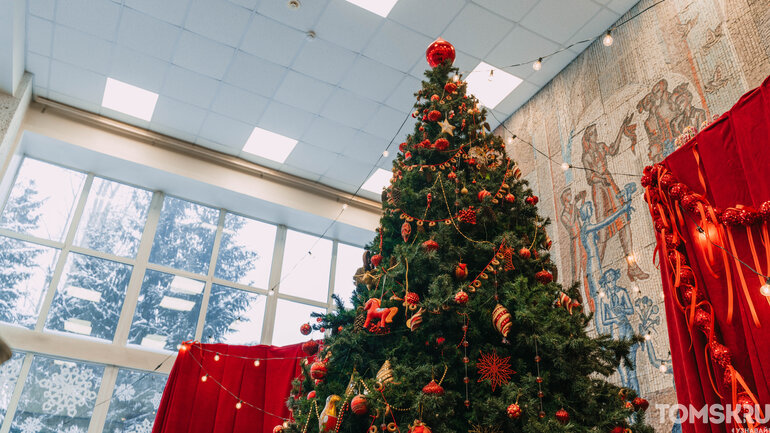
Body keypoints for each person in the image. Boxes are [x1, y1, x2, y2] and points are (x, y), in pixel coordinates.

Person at [581, 120, 649, 281]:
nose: (596, 135)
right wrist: (600, 178)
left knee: (623, 221)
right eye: (593, 133)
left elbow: (613, 150)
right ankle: (595, 273)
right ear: (589, 137)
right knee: (602, 231)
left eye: (596, 132)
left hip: (610, 185)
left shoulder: (601, 146)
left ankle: (632, 265)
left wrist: (621, 129)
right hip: (600, 190)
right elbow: (589, 177)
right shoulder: (587, 156)